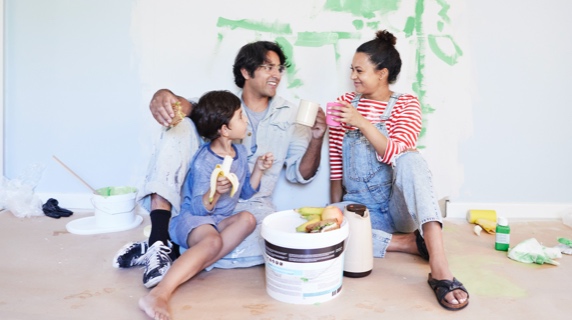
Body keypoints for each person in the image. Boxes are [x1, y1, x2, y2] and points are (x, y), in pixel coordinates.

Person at [113, 41, 326, 288]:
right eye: (268, 68)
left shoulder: (291, 114)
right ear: (246, 72)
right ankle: (160, 238)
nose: (276, 75)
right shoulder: (222, 105)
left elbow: (300, 174)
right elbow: (185, 106)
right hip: (204, 204)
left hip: (251, 207)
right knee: (178, 126)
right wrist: (165, 96)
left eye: (279, 69)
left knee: (268, 248)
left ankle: (170, 248)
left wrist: (317, 139)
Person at [327, 30, 469, 311]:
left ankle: (439, 266)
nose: (353, 76)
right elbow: (335, 162)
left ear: (382, 73)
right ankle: (412, 244)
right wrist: (334, 209)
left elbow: (396, 153)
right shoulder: (346, 102)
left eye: (359, 70)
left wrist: (363, 123)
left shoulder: (405, 104)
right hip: (361, 208)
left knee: (411, 159)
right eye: (351, 70)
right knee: (329, 230)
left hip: (397, 205)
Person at [139, 90, 274, 319]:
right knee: (212, 241)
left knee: (248, 219)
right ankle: (159, 294)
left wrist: (259, 169)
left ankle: (191, 261)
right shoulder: (205, 160)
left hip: (218, 220)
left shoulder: (239, 153)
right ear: (224, 129)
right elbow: (198, 208)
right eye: (240, 116)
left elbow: (246, 192)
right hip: (193, 219)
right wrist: (214, 193)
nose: (246, 120)